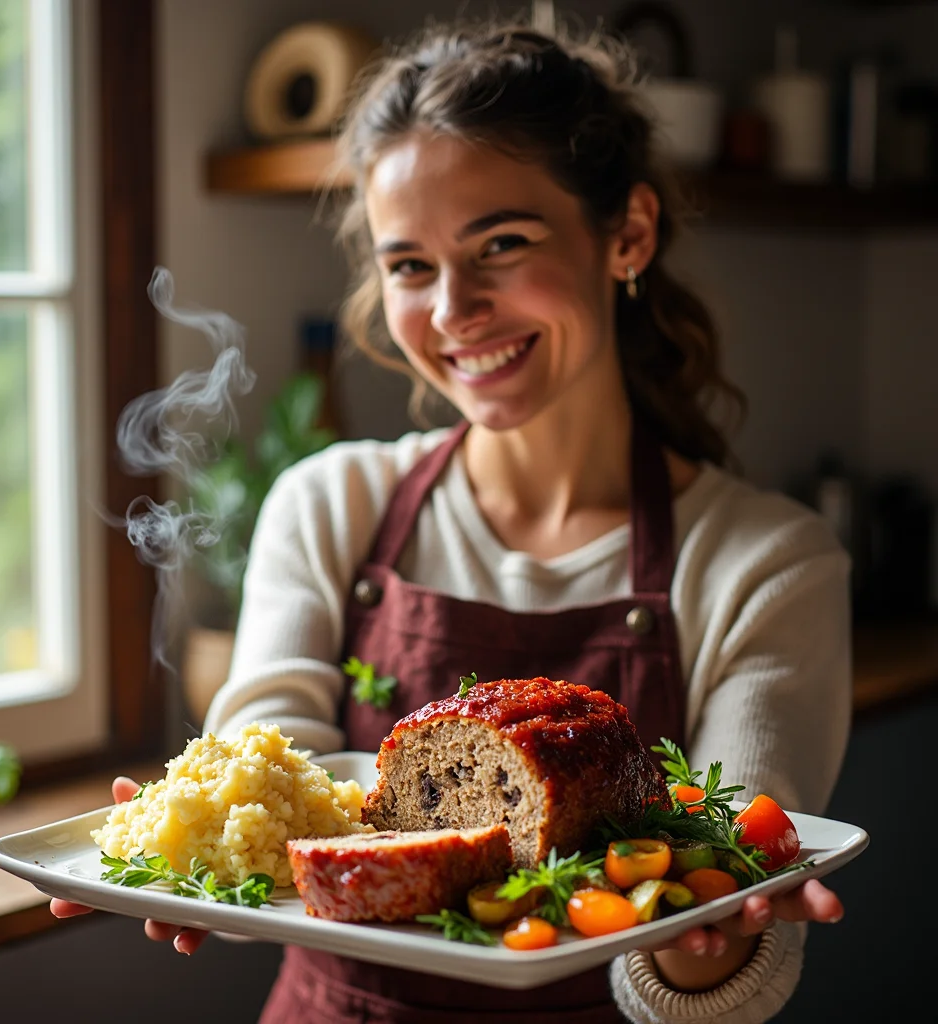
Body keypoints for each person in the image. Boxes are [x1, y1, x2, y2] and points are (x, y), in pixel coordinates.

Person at [53, 20, 851, 1023]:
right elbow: (278, 793)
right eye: (409, 266)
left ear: (629, 234)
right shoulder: (330, 503)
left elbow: (729, 935)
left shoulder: (765, 563)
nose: (453, 310)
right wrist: (207, 848)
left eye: (501, 244)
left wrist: (705, 938)